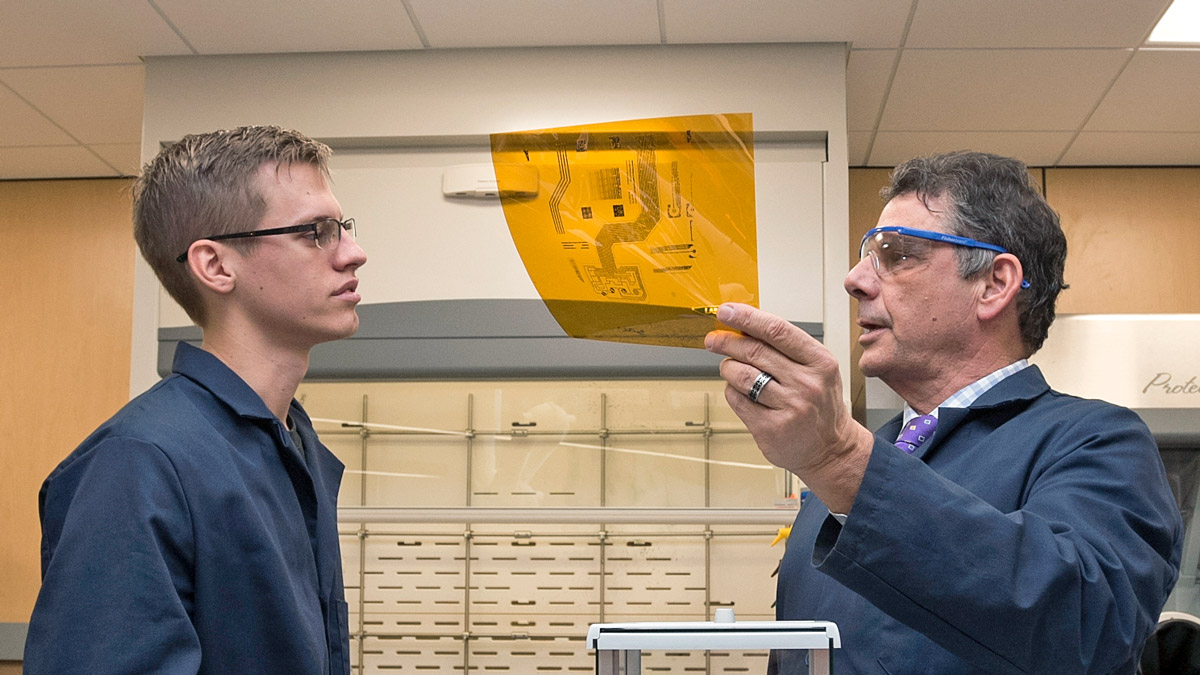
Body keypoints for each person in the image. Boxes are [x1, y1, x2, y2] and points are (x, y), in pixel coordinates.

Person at [704, 151, 1182, 673]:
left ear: (994, 284)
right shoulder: (848, 468)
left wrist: (840, 459)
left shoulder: (1095, 442)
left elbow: (1087, 628)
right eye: (867, 255)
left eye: (897, 254)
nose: (855, 280)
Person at [25, 125, 367, 674]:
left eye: (344, 228)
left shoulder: (291, 444)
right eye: (316, 232)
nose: (354, 253)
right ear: (215, 265)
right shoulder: (137, 462)